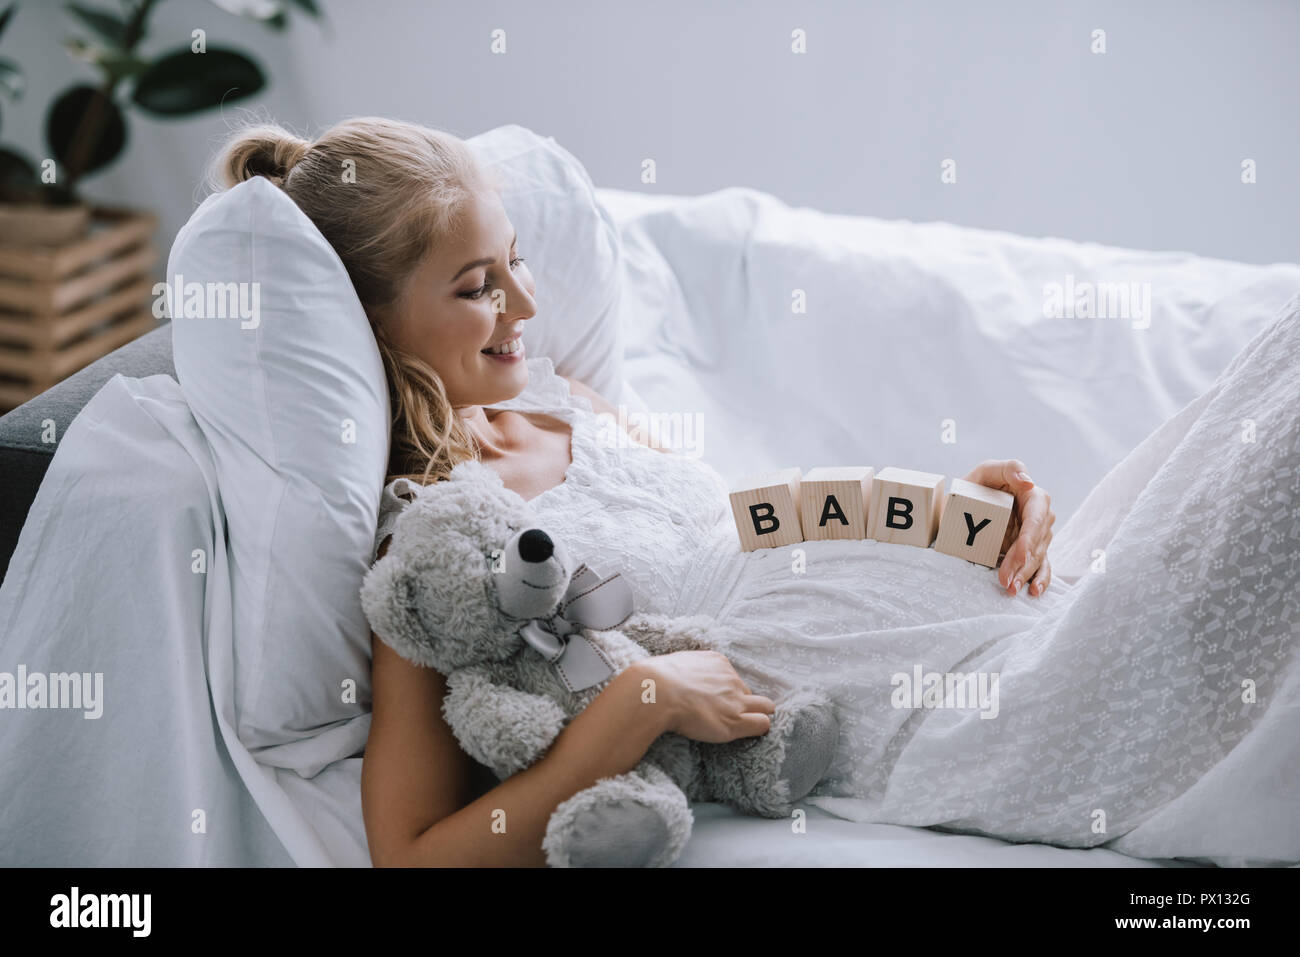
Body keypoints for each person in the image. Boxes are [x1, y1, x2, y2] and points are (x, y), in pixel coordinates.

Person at [210, 116, 1057, 867]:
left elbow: (735, 524)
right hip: (885, 700)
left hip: (986, 595)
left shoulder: (562, 398)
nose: (529, 302)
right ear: (371, 324)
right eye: (479, 288)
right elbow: (415, 854)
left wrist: (936, 508)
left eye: (517, 260)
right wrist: (639, 703)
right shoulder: (443, 543)